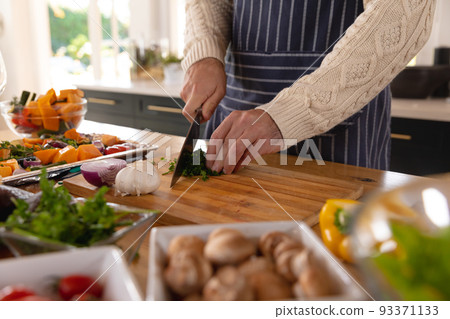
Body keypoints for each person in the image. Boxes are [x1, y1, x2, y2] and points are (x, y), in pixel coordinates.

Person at [180, 0, 436, 174]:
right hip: (234, 112)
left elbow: (403, 14)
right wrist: (204, 52)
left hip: (341, 130)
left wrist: (289, 113)